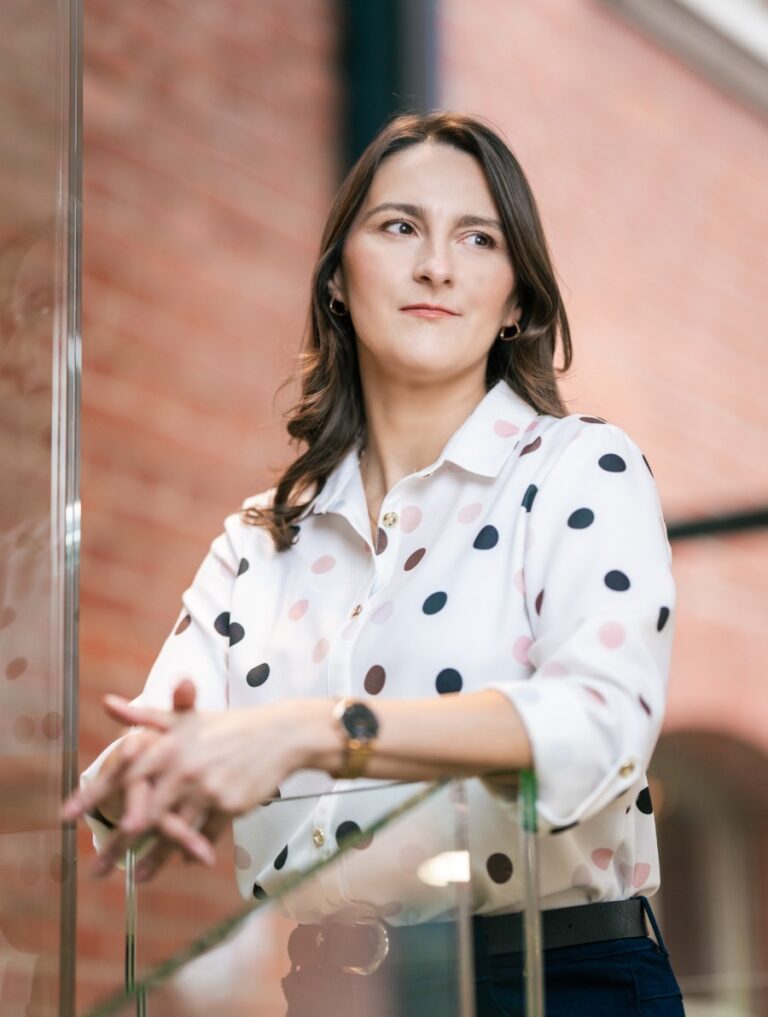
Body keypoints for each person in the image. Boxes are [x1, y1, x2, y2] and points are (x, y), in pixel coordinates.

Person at [61, 110, 685, 1015]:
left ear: (516, 300)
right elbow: (169, 739)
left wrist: (320, 729)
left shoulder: (579, 465)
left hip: (557, 983)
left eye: (478, 238)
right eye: (400, 227)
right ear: (338, 283)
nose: (436, 264)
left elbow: (602, 727)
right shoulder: (258, 541)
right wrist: (138, 776)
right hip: (330, 991)